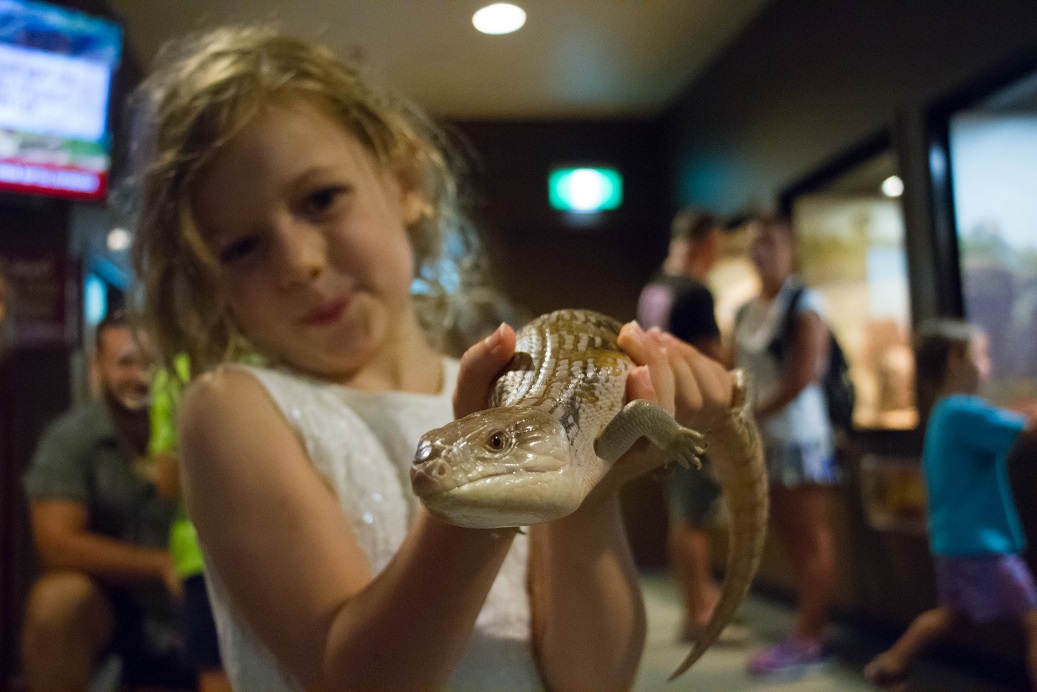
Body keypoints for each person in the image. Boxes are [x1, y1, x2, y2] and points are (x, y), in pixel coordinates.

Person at [126, 26, 753, 690]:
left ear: (403, 182)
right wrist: (485, 483)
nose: (300, 264)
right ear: (207, 280)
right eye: (241, 247)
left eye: (320, 199)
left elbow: (593, 680)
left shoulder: (506, 395)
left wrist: (588, 486)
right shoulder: (231, 408)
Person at [20, 311, 195, 691]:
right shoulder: (71, 437)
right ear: (98, 367)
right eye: (126, 363)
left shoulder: (200, 423)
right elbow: (55, 543)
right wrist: (161, 566)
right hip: (114, 608)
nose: (140, 376)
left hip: (198, 599)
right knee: (56, 602)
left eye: (151, 363)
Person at [864, 319, 1037, 688]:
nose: (987, 364)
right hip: (982, 545)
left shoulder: (944, 413)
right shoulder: (961, 410)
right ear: (956, 361)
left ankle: (892, 663)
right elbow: (1021, 427)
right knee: (1034, 619)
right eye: (981, 354)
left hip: (953, 542)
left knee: (950, 616)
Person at [733, 214, 840, 677]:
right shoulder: (744, 310)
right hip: (764, 440)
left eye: (771, 243)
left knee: (810, 538)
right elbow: (732, 367)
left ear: (790, 248)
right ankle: (804, 627)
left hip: (799, 436)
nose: (762, 253)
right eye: (755, 244)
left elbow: (804, 376)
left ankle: (810, 636)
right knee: (790, 538)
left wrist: (750, 413)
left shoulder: (805, 302)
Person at [636, 209, 749, 645]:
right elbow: (712, 357)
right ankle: (701, 614)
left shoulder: (655, 287)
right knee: (693, 517)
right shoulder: (696, 292)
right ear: (706, 241)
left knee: (681, 514)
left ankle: (695, 604)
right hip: (695, 412)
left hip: (663, 410)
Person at [150, 355, 233, 692]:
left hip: (199, 551)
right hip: (283, 545)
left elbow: (167, 481)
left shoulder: (177, 369)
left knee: (217, 668)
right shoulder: (277, 354)